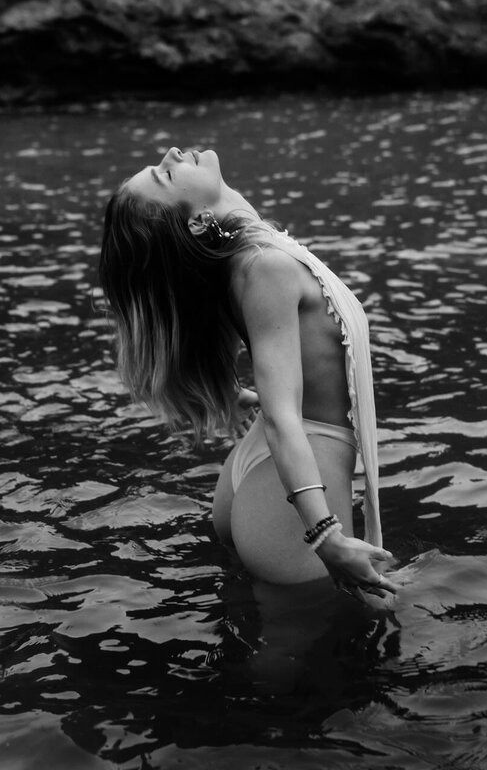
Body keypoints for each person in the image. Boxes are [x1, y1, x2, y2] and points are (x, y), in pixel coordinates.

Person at [99, 146, 397, 603]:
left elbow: (206, 317)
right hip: (295, 489)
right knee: (331, 636)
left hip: (271, 478)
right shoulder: (264, 266)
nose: (172, 154)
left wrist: (231, 391)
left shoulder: (243, 256)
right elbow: (281, 416)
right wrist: (325, 535)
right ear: (198, 221)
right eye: (164, 175)